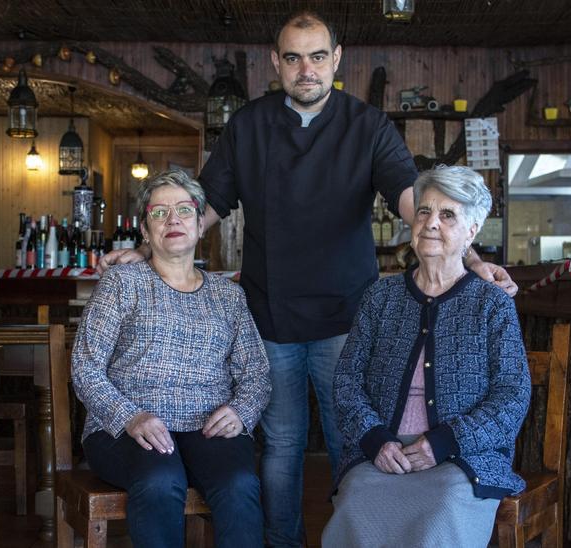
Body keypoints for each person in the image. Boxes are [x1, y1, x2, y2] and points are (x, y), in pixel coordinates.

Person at [101, 11, 517, 546]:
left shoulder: (368, 125)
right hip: (270, 316)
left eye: (317, 57)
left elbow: (415, 201)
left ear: (336, 60)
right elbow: (206, 205)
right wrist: (146, 248)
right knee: (280, 444)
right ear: (276, 63)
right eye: (293, 58)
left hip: (349, 316)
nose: (306, 69)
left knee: (355, 441)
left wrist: (472, 258)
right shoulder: (248, 125)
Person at [324, 166, 530, 547]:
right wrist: (375, 440)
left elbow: (511, 396)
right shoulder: (380, 297)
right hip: (384, 454)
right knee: (354, 506)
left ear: (471, 232)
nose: (431, 223)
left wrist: (444, 442)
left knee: (441, 514)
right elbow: (347, 380)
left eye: (447, 214)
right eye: (424, 211)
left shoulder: (492, 304)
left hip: (462, 459)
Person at [71, 169, 271, 548]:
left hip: (208, 425)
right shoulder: (122, 283)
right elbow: (85, 367)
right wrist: (129, 416)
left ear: (200, 225)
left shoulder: (228, 296)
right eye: (159, 213)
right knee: (161, 481)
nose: (173, 219)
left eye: (183, 210)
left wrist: (242, 411)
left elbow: (256, 374)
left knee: (240, 484)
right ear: (145, 231)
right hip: (127, 427)